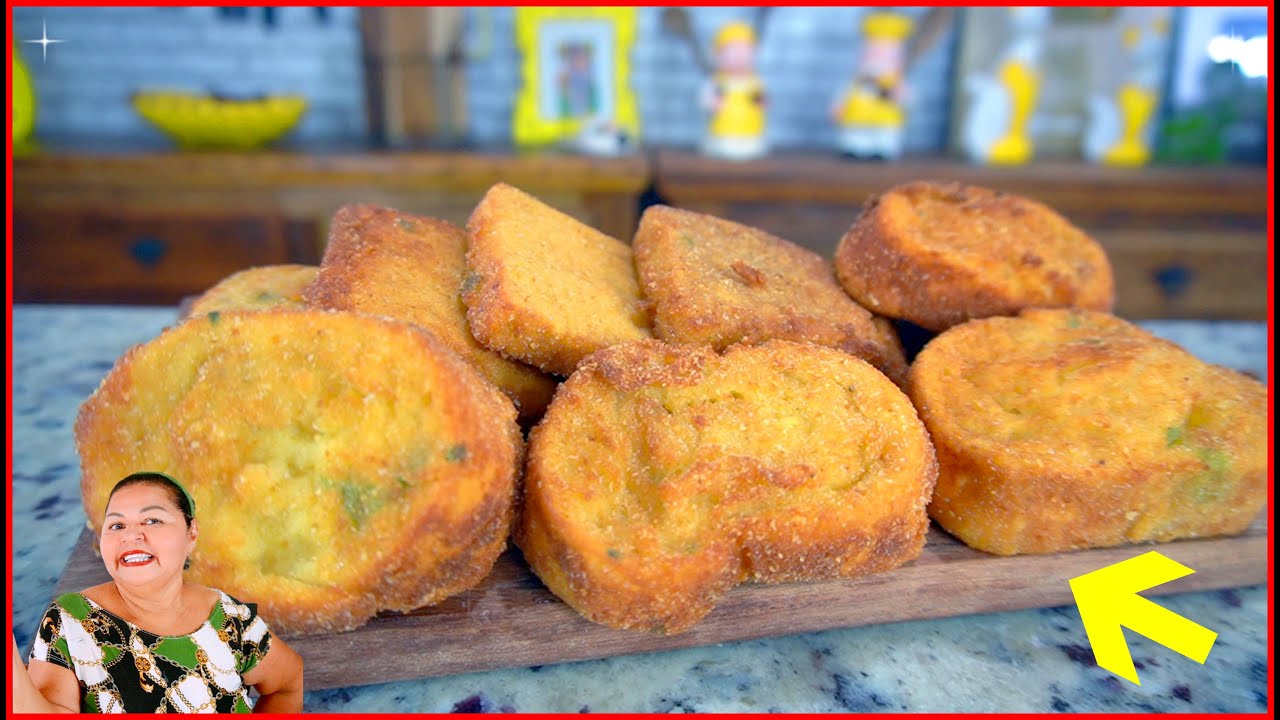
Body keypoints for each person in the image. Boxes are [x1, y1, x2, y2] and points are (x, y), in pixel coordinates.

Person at [12, 472, 303, 713]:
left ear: (191, 533)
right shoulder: (70, 620)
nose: (131, 534)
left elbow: (286, 682)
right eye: (116, 525)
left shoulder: (228, 615)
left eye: (152, 520)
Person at [702, 21, 767, 161]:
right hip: (722, 137)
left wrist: (761, 102)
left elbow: (762, 102)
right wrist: (713, 103)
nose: (739, 58)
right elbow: (707, 102)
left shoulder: (755, 83)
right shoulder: (718, 83)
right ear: (718, 56)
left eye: (745, 53)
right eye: (732, 53)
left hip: (751, 137)